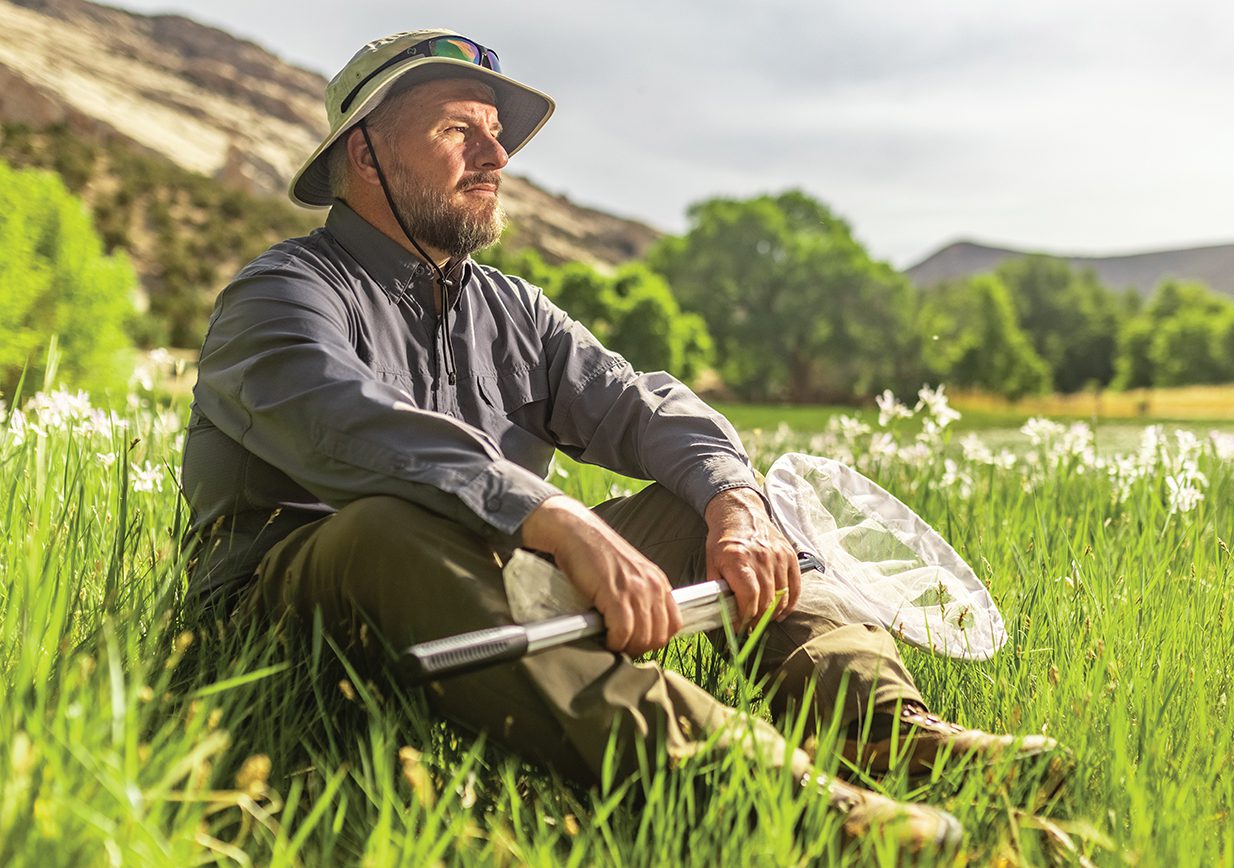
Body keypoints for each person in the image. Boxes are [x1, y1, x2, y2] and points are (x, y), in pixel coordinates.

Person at [181, 28, 1057, 852]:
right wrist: (555, 516)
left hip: (503, 584)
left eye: (498, 136)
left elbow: (641, 406)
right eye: (461, 130)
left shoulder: (511, 309)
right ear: (362, 153)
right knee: (385, 528)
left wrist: (735, 503)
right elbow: (344, 422)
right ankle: (789, 803)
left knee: (705, 501)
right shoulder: (278, 296)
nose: (497, 157)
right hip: (301, 612)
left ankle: (889, 736)